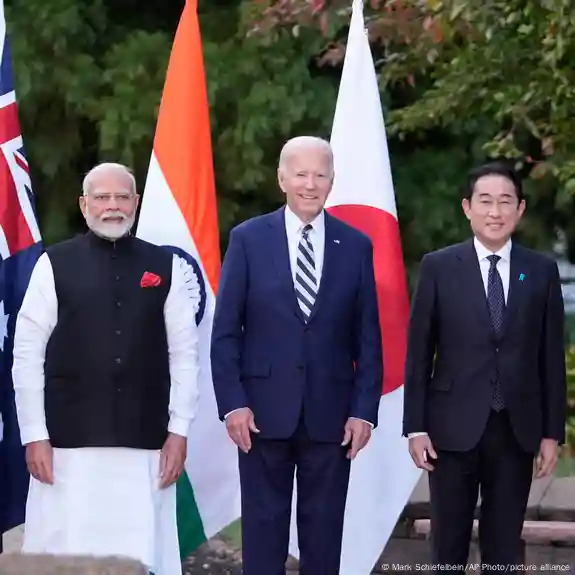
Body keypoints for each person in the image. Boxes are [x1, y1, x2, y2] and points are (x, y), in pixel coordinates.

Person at [12, 162, 201, 575]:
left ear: (135, 202)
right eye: (101, 197)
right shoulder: (54, 264)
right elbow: (27, 354)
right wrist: (34, 435)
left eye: (121, 197)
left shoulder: (163, 265)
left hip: (145, 443)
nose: (112, 206)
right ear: (84, 205)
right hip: (66, 447)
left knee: (140, 554)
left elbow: (185, 354)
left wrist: (179, 431)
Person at [210, 136, 383, 575]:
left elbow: (367, 337)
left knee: (323, 539)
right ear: (281, 179)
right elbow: (226, 332)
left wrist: (363, 411)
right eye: (301, 174)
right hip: (260, 416)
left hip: (332, 417)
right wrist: (233, 403)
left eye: (320, 174)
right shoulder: (248, 239)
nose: (310, 184)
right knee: (263, 537)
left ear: (332, 181)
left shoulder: (356, 245)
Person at [403, 161, 567, 571]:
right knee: (448, 547)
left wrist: (552, 433)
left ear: (520, 209)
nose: (495, 211)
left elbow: (550, 357)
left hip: (515, 428)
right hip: (450, 430)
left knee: (503, 549)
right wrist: (415, 426)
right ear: (467, 207)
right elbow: (419, 352)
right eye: (486, 201)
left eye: (505, 201)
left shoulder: (541, 271)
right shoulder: (439, 267)